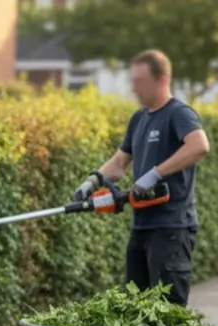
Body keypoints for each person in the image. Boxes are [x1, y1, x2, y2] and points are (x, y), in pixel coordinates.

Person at [73, 49, 210, 307]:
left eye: (139, 82)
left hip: (171, 228)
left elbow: (199, 145)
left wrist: (156, 173)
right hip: (141, 227)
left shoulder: (178, 113)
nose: (134, 88)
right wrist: (93, 181)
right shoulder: (139, 118)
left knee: (167, 311)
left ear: (161, 79)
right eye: (132, 82)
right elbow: (120, 162)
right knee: (136, 307)